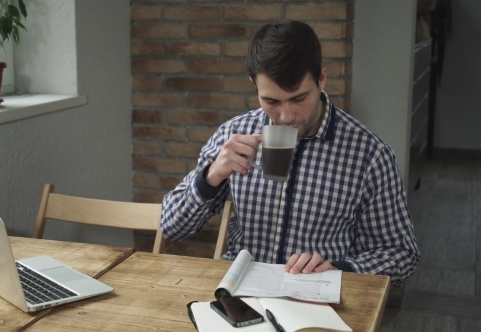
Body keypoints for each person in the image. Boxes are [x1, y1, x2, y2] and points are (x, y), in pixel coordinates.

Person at [161, 21, 420, 285]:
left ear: (322, 78)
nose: (285, 117)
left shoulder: (370, 155)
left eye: (298, 99)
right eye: (271, 101)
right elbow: (171, 227)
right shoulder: (234, 134)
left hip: (315, 299)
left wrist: (339, 268)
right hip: (241, 293)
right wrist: (211, 176)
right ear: (254, 84)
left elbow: (402, 255)